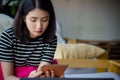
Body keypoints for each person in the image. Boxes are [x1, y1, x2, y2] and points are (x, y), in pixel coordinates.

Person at [0, 0, 58, 80]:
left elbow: (42, 68)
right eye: (33, 20)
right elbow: (8, 77)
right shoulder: (8, 37)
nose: (39, 26)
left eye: (44, 20)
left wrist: (42, 75)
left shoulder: (51, 38)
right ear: (24, 18)